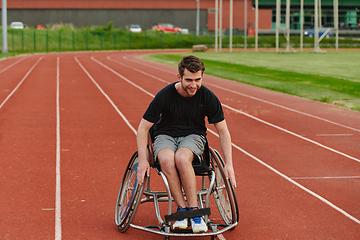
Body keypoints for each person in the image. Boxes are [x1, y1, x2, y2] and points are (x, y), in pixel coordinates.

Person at [136, 55, 236, 233]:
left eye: (198, 80)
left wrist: (229, 164)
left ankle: (195, 213)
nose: (193, 85)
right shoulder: (165, 95)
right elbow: (143, 129)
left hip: (193, 135)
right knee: (167, 160)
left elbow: (223, 131)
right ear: (179, 77)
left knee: (182, 158)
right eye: (188, 80)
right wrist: (143, 160)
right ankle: (182, 211)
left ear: (202, 77)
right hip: (164, 134)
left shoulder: (208, 97)